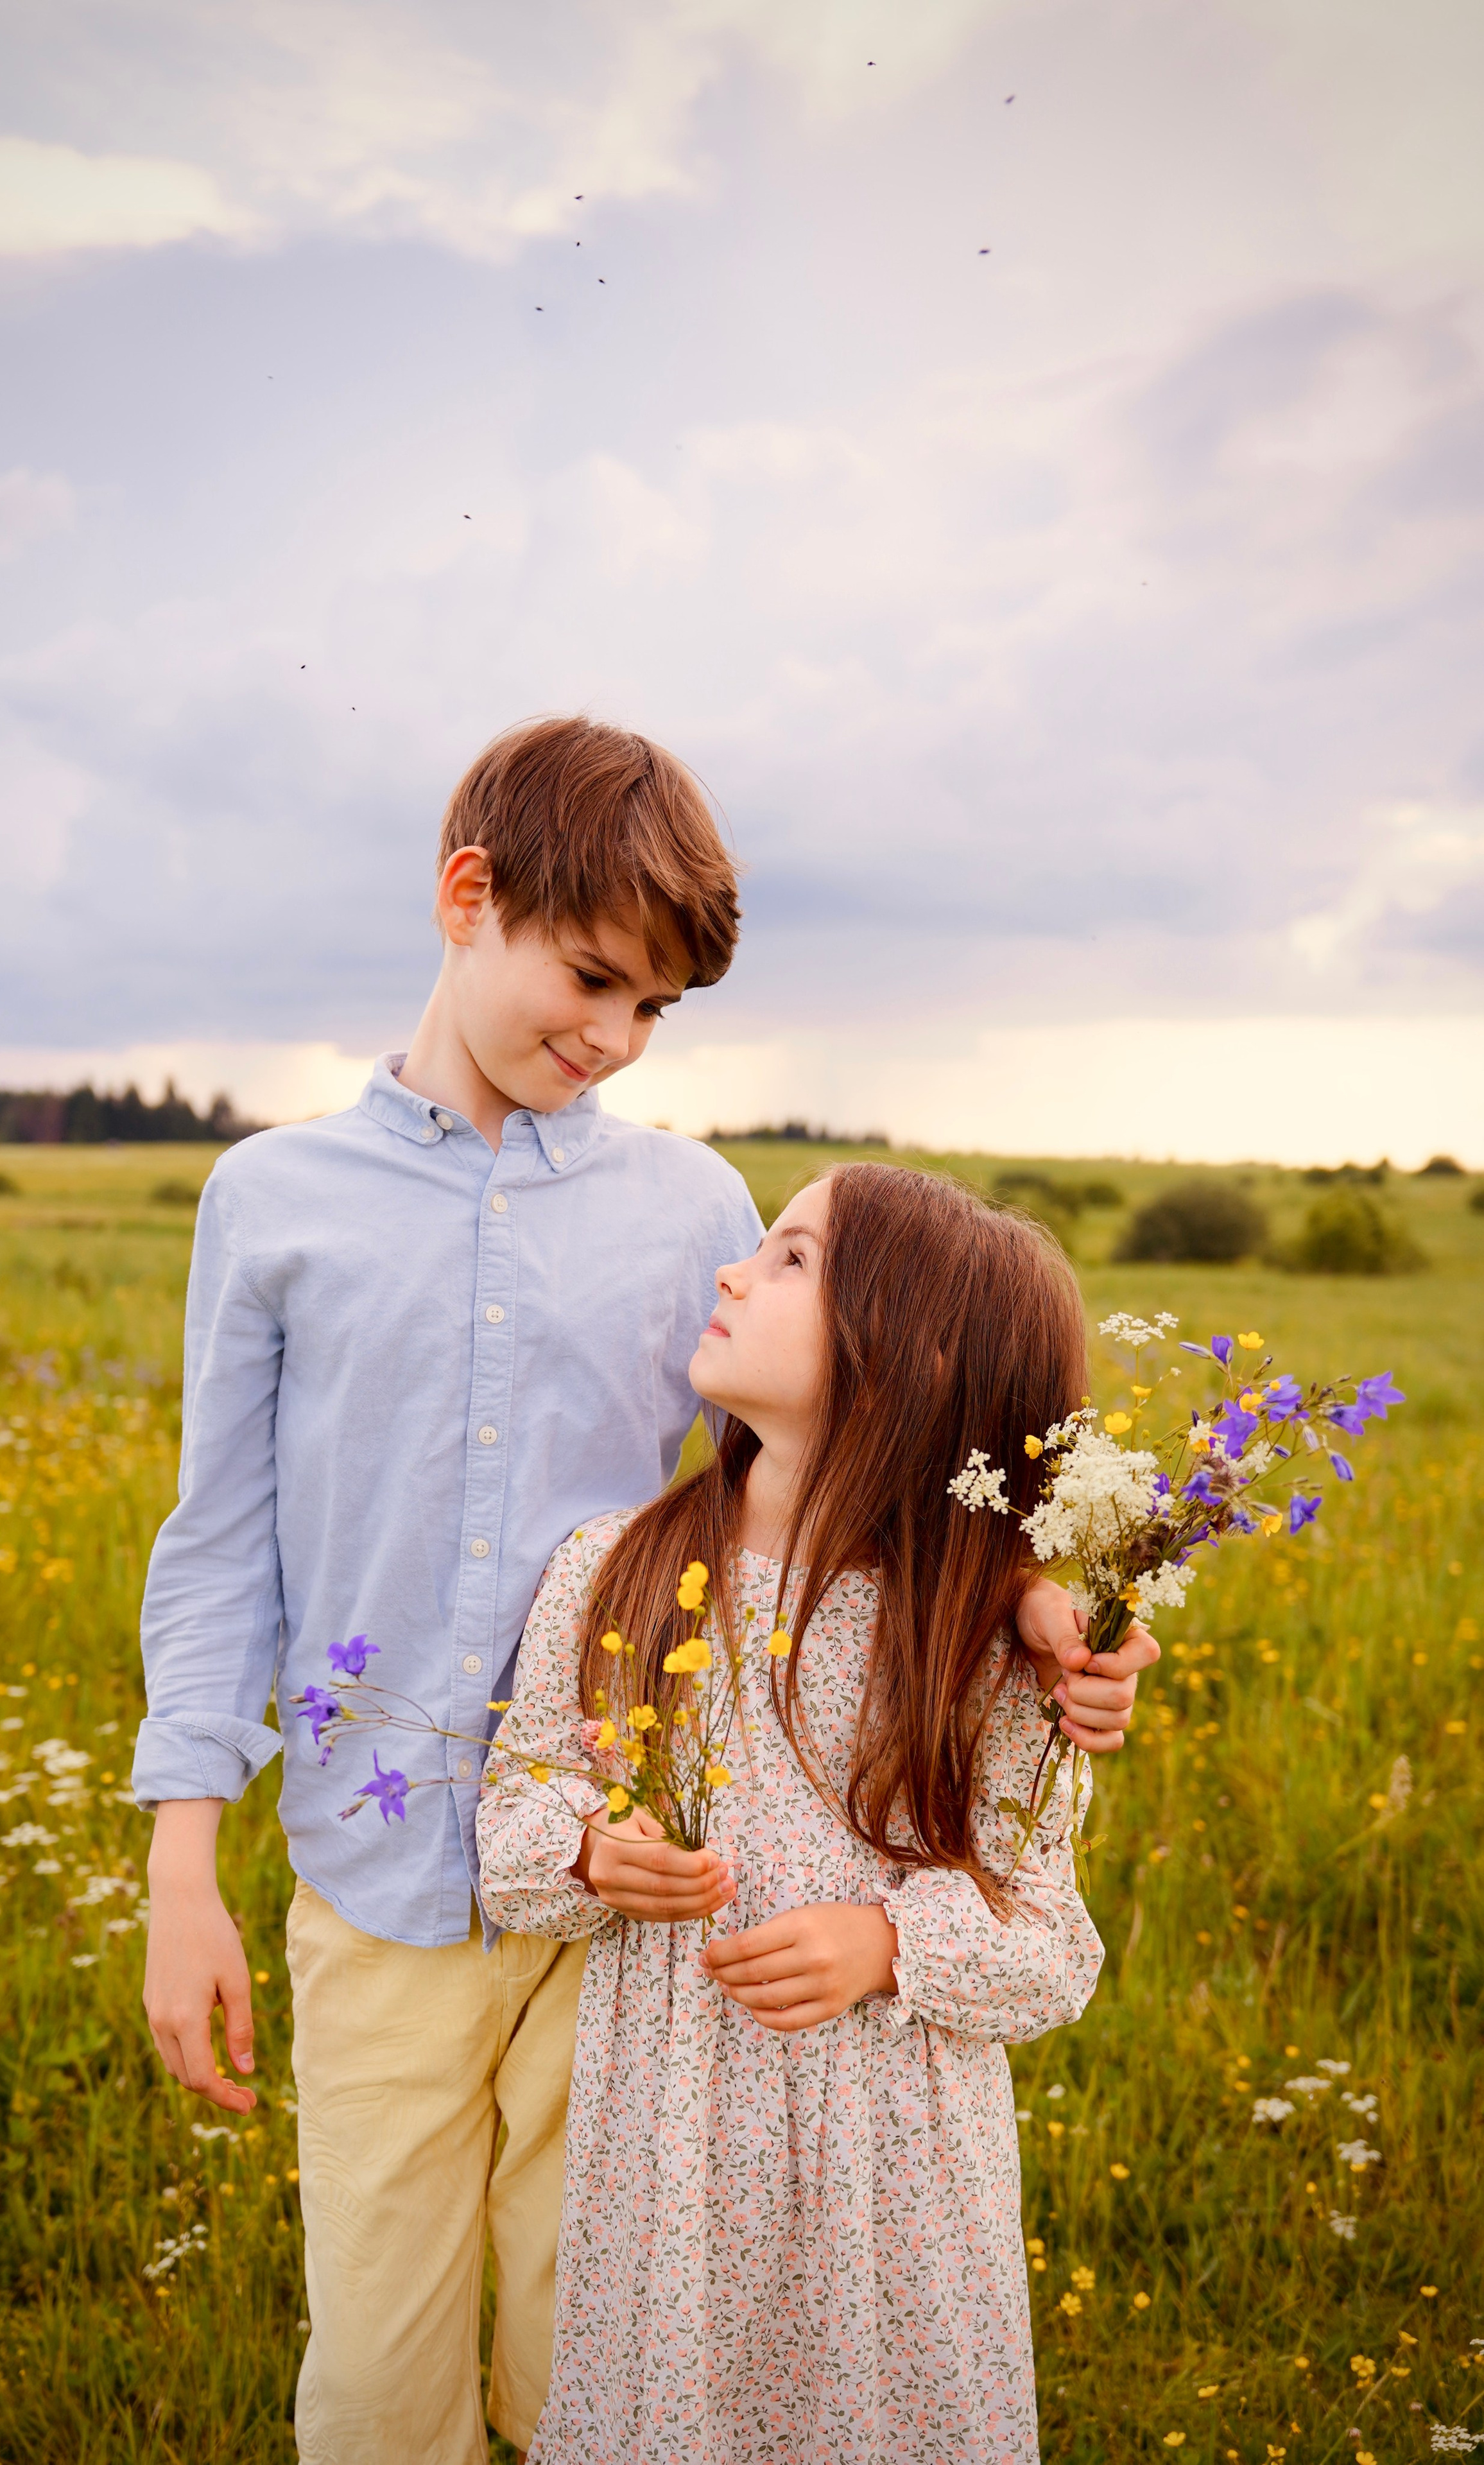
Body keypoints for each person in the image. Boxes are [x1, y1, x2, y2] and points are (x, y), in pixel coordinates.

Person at [135, 716, 1150, 2465]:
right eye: (593, 977)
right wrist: (181, 1864)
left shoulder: (697, 1207)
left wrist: (1032, 1597)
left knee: (588, 2363)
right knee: (379, 2386)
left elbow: (862, 1448)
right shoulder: (272, 1199)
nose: (611, 1038)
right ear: (471, 899)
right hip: (378, 1891)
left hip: (639, 1928)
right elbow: (221, 1544)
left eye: (655, 1010)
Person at [478, 1160, 1145, 2463]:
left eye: (790, 1259)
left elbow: (1049, 1941)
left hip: (889, 2185)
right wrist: (588, 1850)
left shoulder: (987, 1639)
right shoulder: (614, 1568)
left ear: (903, 1354)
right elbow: (514, 1820)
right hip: (667, 2160)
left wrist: (887, 1944)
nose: (731, 1271)